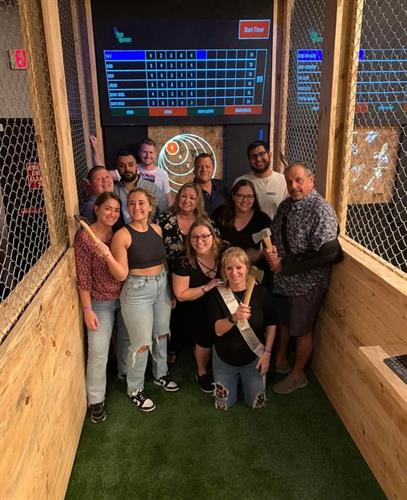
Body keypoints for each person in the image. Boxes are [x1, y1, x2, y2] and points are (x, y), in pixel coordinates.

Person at [265, 162, 342, 395]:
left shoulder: (321, 210)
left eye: (298, 180)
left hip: (307, 283)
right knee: (284, 321)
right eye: (289, 181)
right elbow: (275, 232)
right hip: (283, 280)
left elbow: (328, 253)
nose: (293, 186)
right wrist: (272, 249)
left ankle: (298, 374)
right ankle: (280, 361)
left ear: (311, 180)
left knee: (302, 329)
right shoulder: (286, 205)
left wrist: (285, 264)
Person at [109, 187, 179, 412]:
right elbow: (121, 273)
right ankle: (135, 389)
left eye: (141, 203)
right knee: (140, 343)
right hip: (137, 292)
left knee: (161, 333)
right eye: (131, 203)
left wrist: (168, 290)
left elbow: (163, 261)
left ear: (150, 206)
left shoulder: (157, 229)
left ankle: (161, 374)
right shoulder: (122, 235)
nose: (136, 207)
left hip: (161, 285)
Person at [74, 192, 128, 423]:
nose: (112, 214)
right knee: (98, 351)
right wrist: (87, 309)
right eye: (107, 208)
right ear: (96, 209)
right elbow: (83, 277)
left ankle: (125, 374)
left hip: (124, 298)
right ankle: (96, 399)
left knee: (126, 341)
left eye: (116, 210)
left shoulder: (119, 234)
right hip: (100, 303)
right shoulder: (85, 237)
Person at [207, 247, 277, 410]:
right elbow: (218, 330)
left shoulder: (261, 292)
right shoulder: (216, 294)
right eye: (229, 268)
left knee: (256, 404)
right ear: (224, 271)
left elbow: (271, 325)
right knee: (223, 404)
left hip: (254, 358)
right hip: (224, 358)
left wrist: (267, 353)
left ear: (247, 268)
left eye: (239, 267)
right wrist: (234, 318)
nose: (234, 272)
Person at [172, 219, 226, 392]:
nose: (199, 241)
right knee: (203, 324)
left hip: (221, 303)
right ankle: (202, 371)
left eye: (204, 236)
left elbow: (240, 265)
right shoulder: (184, 260)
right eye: (194, 237)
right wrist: (206, 287)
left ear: (213, 236)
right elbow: (181, 295)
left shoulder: (224, 251)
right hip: (194, 305)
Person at [212, 179, 271, 264]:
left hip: (250, 268)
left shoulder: (262, 219)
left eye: (249, 196)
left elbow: (271, 247)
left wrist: (259, 254)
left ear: (254, 198)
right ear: (233, 196)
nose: (245, 200)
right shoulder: (220, 213)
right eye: (240, 196)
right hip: (222, 265)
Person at [158, 182, 207, 270]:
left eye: (192, 198)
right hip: (169, 270)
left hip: (199, 270)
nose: (187, 200)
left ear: (197, 202)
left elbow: (215, 244)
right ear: (178, 198)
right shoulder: (164, 219)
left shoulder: (204, 221)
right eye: (183, 196)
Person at [234, 140, 288, 219]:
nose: (258, 159)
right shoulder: (240, 182)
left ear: (269, 154)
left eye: (261, 154)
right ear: (249, 160)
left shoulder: (284, 181)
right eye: (253, 156)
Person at [114, 150, 166, 222]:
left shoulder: (153, 189)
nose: (127, 169)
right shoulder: (114, 191)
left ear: (136, 165)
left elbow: (163, 215)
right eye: (122, 166)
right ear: (117, 168)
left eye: (131, 165)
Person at [137, 138, 173, 207]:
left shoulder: (162, 174)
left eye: (151, 152)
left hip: (155, 211)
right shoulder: (132, 169)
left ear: (155, 154)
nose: (148, 156)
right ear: (139, 153)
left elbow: (169, 201)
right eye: (144, 152)